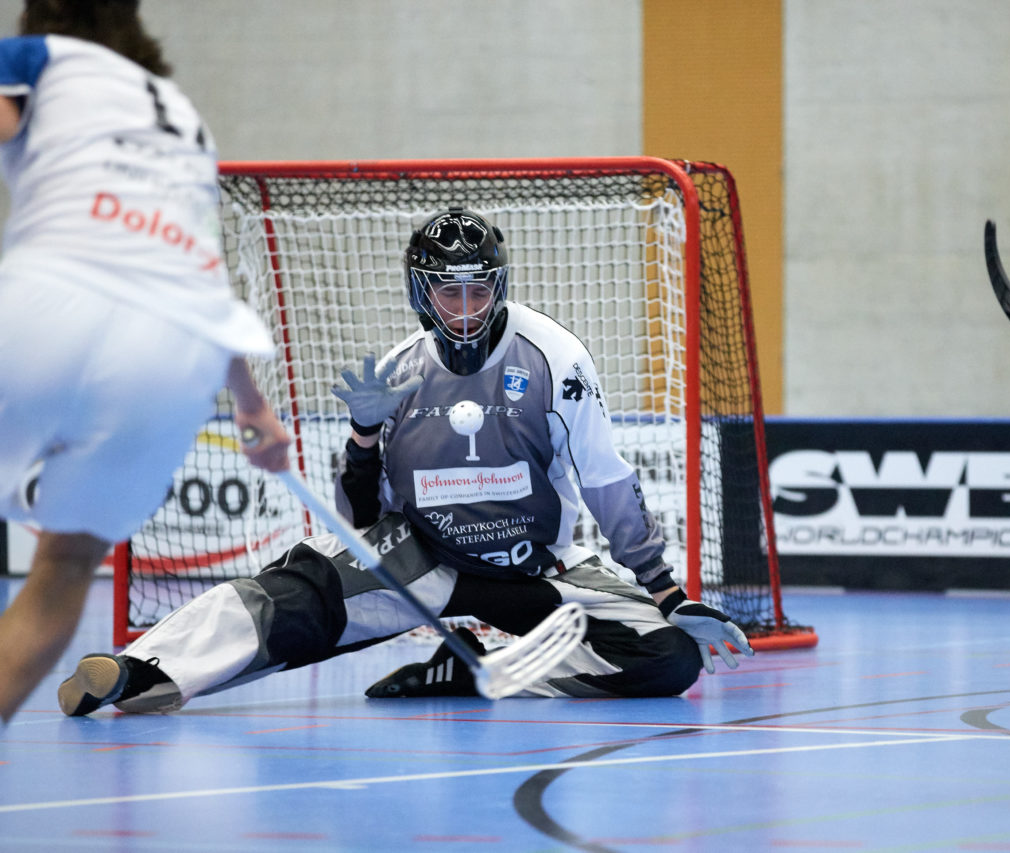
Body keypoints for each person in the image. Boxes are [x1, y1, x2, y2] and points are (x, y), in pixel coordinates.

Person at [56, 207, 752, 714]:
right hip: (424, 566)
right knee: (299, 598)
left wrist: (667, 593)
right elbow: (360, 521)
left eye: (480, 289)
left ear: (500, 287)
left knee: (668, 659)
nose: (466, 308)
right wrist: (363, 435)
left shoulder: (555, 358)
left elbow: (605, 479)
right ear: (423, 292)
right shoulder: (398, 372)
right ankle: (141, 671)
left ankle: (476, 669)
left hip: (537, 570)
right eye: (450, 291)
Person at [0, 0, 291, 724]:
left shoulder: (37, 61)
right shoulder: (186, 120)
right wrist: (253, 407)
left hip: (54, 295)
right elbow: (203, 279)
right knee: (65, 566)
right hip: (175, 350)